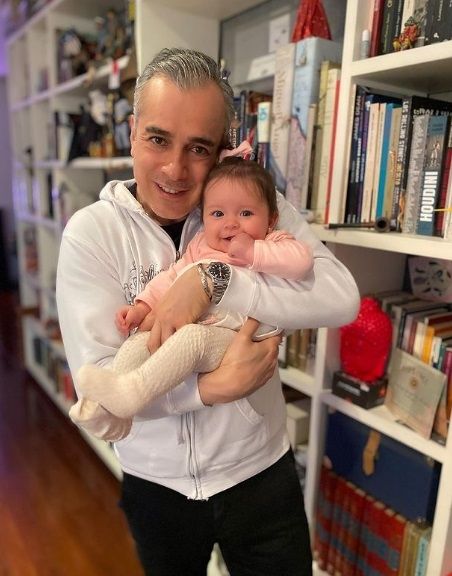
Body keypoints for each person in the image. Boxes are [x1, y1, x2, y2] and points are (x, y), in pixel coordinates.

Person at [56, 47, 359, 576]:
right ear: (132, 131)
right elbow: (100, 388)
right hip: (156, 484)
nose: (175, 169)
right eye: (158, 139)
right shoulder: (91, 233)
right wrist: (209, 390)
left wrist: (214, 282)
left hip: (260, 472)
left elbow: (340, 296)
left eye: (199, 148)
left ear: (221, 148)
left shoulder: (248, 202)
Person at [70, 156, 314, 437]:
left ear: (271, 219)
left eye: (246, 213)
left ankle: (132, 394)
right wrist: (143, 306)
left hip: (235, 338)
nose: (231, 224)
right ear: (204, 216)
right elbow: (172, 277)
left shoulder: (272, 242)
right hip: (199, 328)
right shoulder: (201, 245)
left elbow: (301, 262)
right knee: (141, 340)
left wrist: (253, 252)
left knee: (192, 338)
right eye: (218, 214)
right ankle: (113, 413)